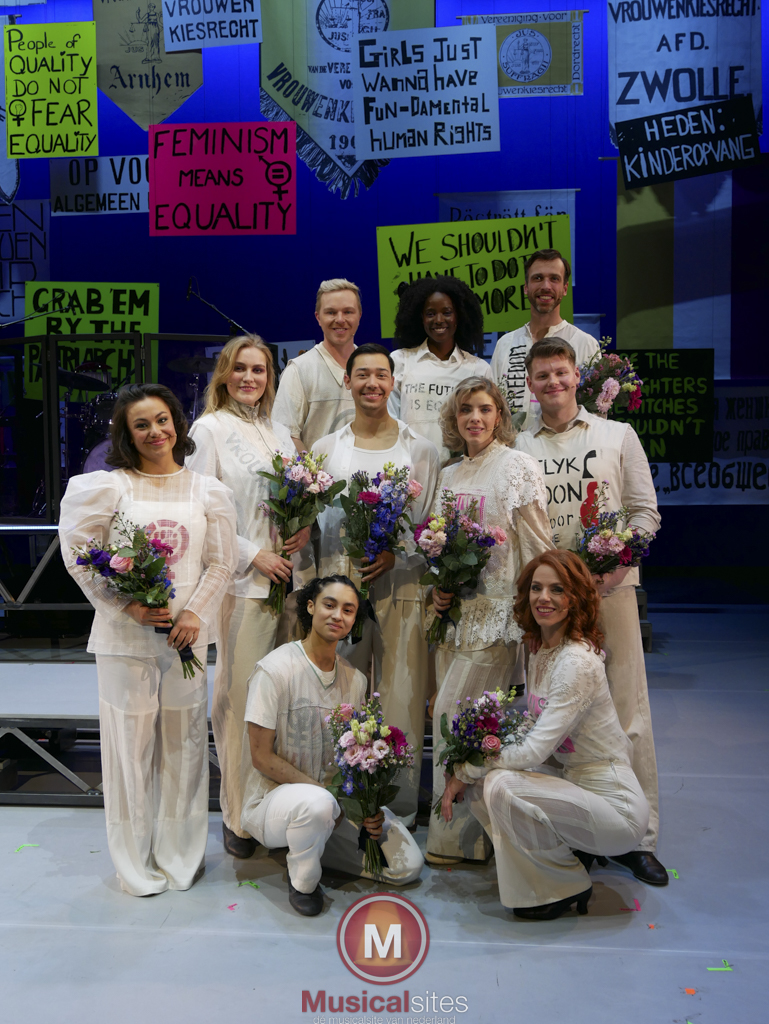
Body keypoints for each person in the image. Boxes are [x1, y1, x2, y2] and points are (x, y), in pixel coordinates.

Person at [59, 383, 238, 896]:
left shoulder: (208, 490)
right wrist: (128, 606)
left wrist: (195, 615)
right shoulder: (107, 487)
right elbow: (80, 557)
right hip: (124, 639)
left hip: (186, 641)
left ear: (177, 424)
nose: (155, 431)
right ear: (127, 434)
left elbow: (221, 562)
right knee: (128, 751)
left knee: (185, 747)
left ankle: (179, 857)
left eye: (162, 420)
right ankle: (134, 864)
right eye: (142, 425)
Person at [514, 337, 666, 885]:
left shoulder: (617, 435)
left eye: (561, 372)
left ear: (578, 376)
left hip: (609, 592)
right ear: (529, 384)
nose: (553, 382)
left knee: (627, 709)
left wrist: (617, 566)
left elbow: (645, 513)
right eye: (542, 375)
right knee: (551, 714)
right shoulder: (518, 446)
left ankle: (639, 838)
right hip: (547, 603)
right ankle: (576, 833)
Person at [441, 551, 650, 920]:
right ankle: (551, 876)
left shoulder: (576, 662)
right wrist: (472, 764)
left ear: (576, 597)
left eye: (557, 590)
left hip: (617, 808)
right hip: (575, 785)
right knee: (483, 784)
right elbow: (530, 729)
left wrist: (465, 770)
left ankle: (564, 882)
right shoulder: (541, 651)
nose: (543, 598)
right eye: (536, 588)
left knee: (499, 783)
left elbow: (535, 750)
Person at [186, 336, 312, 860]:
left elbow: (297, 496)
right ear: (224, 372)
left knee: (281, 705)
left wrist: (303, 527)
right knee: (240, 703)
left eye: (259, 370)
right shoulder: (208, 430)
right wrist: (251, 554)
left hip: (290, 584)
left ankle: (274, 812)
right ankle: (238, 815)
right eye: (240, 368)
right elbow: (196, 509)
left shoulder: (280, 431)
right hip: (244, 585)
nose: (249, 378)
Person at [241, 576, 424, 916]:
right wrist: (325, 796)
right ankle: (304, 882)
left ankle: (308, 842)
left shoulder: (356, 680)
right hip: (273, 801)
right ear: (310, 607)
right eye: (329, 604)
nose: (338, 615)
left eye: (348, 610)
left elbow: (356, 759)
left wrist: (365, 808)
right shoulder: (274, 670)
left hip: (334, 806)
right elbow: (261, 757)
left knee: (406, 865)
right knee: (317, 805)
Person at [426, 377, 553, 865]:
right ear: (454, 418)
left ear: (499, 414)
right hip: (454, 618)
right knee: (463, 724)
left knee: (455, 719)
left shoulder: (517, 465)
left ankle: (458, 838)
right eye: (465, 410)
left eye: (483, 408)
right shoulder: (449, 474)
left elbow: (538, 544)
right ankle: (471, 841)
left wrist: (539, 616)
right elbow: (438, 544)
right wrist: (438, 586)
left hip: (498, 619)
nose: (474, 418)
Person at [312, 344, 439, 825]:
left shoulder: (419, 448)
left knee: (401, 695)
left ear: (392, 383)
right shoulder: (326, 449)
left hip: (401, 582)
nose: (372, 383)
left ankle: (397, 810)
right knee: (340, 694)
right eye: (362, 374)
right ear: (347, 382)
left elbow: (427, 523)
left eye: (381, 375)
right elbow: (316, 523)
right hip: (340, 585)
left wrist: (396, 552)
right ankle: (340, 803)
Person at [389, 275, 494, 465]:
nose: (438, 320)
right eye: (430, 313)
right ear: (420, 318)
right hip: (409, 469)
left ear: (459, 316)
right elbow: (389, 422)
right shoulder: (400, 361)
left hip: (461, 471)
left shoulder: (478, 369)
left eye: (447, 312)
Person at [491, 249, 599, 429]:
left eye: (554, 279)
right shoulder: (506, 344)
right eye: (538, 278)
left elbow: (596, 416)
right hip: (512, 445)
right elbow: (491, 406)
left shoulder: (584, 343)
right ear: (526, 287)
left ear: (565, 288)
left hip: (565, 445)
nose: (546, 286)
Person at [272, 278, 362, 453]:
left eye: (348, 312)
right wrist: (313, 470)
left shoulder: (373, 368)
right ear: (318, 317)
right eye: (331, 312)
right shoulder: (299, 370)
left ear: (359, 316)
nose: (340, 319)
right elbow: (284, 436)